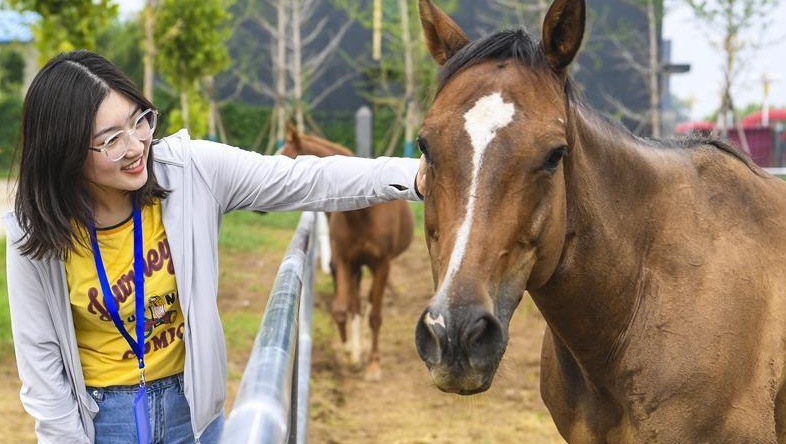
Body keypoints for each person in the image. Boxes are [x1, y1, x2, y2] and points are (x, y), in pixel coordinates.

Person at [5, 50, 425, 444]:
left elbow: (305, 179)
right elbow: (41, 362)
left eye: (139, 121)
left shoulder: (190, 171)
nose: (136, 146)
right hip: (103, 419)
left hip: (193, 409)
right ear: (66, 150)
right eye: (111, 139)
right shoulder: (35, 230)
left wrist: (419, 175)